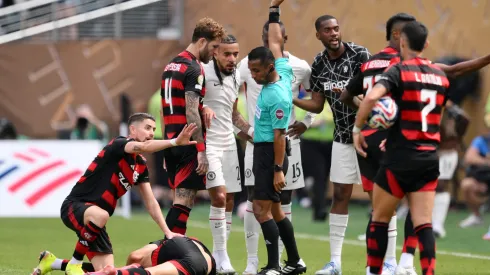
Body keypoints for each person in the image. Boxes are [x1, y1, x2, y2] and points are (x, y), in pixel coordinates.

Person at [31, 113, 198, 275]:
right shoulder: (119, 144)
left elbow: (151, 202)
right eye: (147, 128)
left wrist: (167, 232)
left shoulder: (140, 165)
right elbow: (144, 146)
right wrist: (175, 142)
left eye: (153, 129)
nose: (151, 133)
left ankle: (53, 262)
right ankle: (75, 262)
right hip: (75, 207)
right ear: (132, 130)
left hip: (96, 222)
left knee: (108, 271)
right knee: (102, 215)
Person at [352, 21, 448, 275]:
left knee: (380, 218)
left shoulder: (398, 70)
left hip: (399, 157)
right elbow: (437, 113)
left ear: (402, 43)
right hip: (428, 157)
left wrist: (358, 129)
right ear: (426, 44)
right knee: (424, 224)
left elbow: (372, 97)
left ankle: (374, 272)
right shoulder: (440, 76)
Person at [292, 14, 370, 275]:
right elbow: (317, 103)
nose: (334, 33)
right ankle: (335, 262)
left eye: (336, 28)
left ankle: (387, 262)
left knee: (379, 198)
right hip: (341, 138)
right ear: (318, 35)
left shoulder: (360, 55)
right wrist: (292, 99)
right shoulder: (319, 63)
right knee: (339, 196)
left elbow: (372, 97)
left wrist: (349, 97)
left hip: (367, 136)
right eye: (327, 30)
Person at [238, 17, 313, 275]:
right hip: (265, 151)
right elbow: (275, 41)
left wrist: (278, 168)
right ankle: (295, 261)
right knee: (277, 211)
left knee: (260, 210)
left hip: (271, 153)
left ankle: (272, 265)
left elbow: (280, 136)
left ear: (270, 67)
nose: (254, 76)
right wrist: (273, 11)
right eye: (251, 71)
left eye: (257, 71)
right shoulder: (280, 70)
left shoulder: (278, 95)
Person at [160, 17, 225, 236]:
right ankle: (167, 250)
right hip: (187, 142)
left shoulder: (171, 65)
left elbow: (166, 108)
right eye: (214, 47)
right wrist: (201, 150)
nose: (215, 52)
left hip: (171, 141)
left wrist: (164, 145)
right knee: (184, 201)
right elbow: (190, 110)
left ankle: (170, 248)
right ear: (202, 41)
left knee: (180, 199)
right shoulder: (193, 69)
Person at [202, 34, 253, 274]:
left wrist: (253, 133)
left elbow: (234, 116)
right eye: (227, 54)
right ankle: (221, 255)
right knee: (219, 198)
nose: (232, 59)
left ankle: (218, 254)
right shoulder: (201, 71)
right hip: (209, 144)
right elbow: (188, 102)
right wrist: (202, 107)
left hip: (230, 144)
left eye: (235, 54)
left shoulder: (236, 75)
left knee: (230, 200)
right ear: (215, 52)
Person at [85, 236, 216, 275]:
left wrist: (128, 269)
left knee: (141, 266)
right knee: (148, 273)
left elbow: (135, 256)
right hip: (199, 263)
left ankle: (113, 272)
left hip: (179, 241)